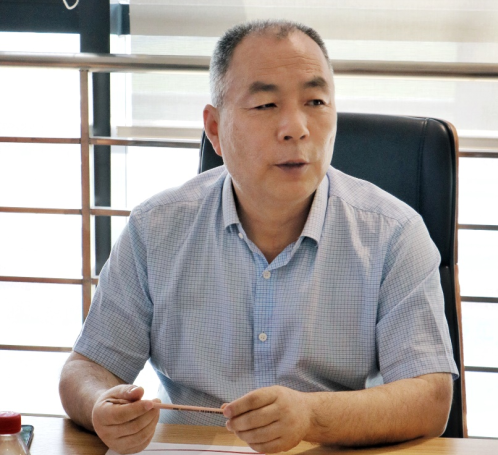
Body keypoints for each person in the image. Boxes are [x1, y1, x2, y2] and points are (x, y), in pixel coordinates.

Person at [59, 19, 458, 455]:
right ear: (215, 129)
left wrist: (310, 416)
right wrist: (100, 405)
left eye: (315, 101)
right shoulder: (155, 229)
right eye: (266, 105)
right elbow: (87, 367)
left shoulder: (394, 233)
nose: (296, 128)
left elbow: (430, 397)